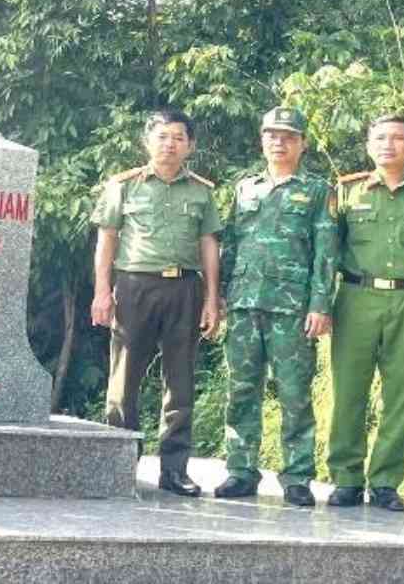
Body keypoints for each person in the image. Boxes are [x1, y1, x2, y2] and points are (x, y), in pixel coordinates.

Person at [90, 108, 222, 496]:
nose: (170, 144)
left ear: (190, 145)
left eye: (179, 137)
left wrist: (212, 299)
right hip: (135, 287)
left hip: (185, 289)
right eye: (163, 136)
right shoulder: (124, 185)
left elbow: (209, 244)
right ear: (148, 142)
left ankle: (174, 470)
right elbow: (107, 240)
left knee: (180, 383)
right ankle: (118, 467)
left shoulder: (202, 191)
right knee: (123, 381)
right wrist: (102, 291)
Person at [327, 115, 404, 511]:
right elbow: (327, 251)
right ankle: (345, 479)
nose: (388, 144)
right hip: (355, 298)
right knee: (348, 392)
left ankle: (385, 482)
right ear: (368, 145)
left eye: (398, 138)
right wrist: (319, 303)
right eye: (379, 138)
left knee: (402, 396)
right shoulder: (346, 192)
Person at [213, 107, 336, 507]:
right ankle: (240, 470)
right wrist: (218, 296)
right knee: (241, 389)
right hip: (245, 302)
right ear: (262, 139)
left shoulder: (318, 190)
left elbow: (325, 253)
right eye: (271, 135)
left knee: (295, 393)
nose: (278, 142)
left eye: (288, 136)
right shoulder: (245, 187)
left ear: (302, 143)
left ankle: (297, 476)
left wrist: (320, 303)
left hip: (293, 308)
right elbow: (230, 245)